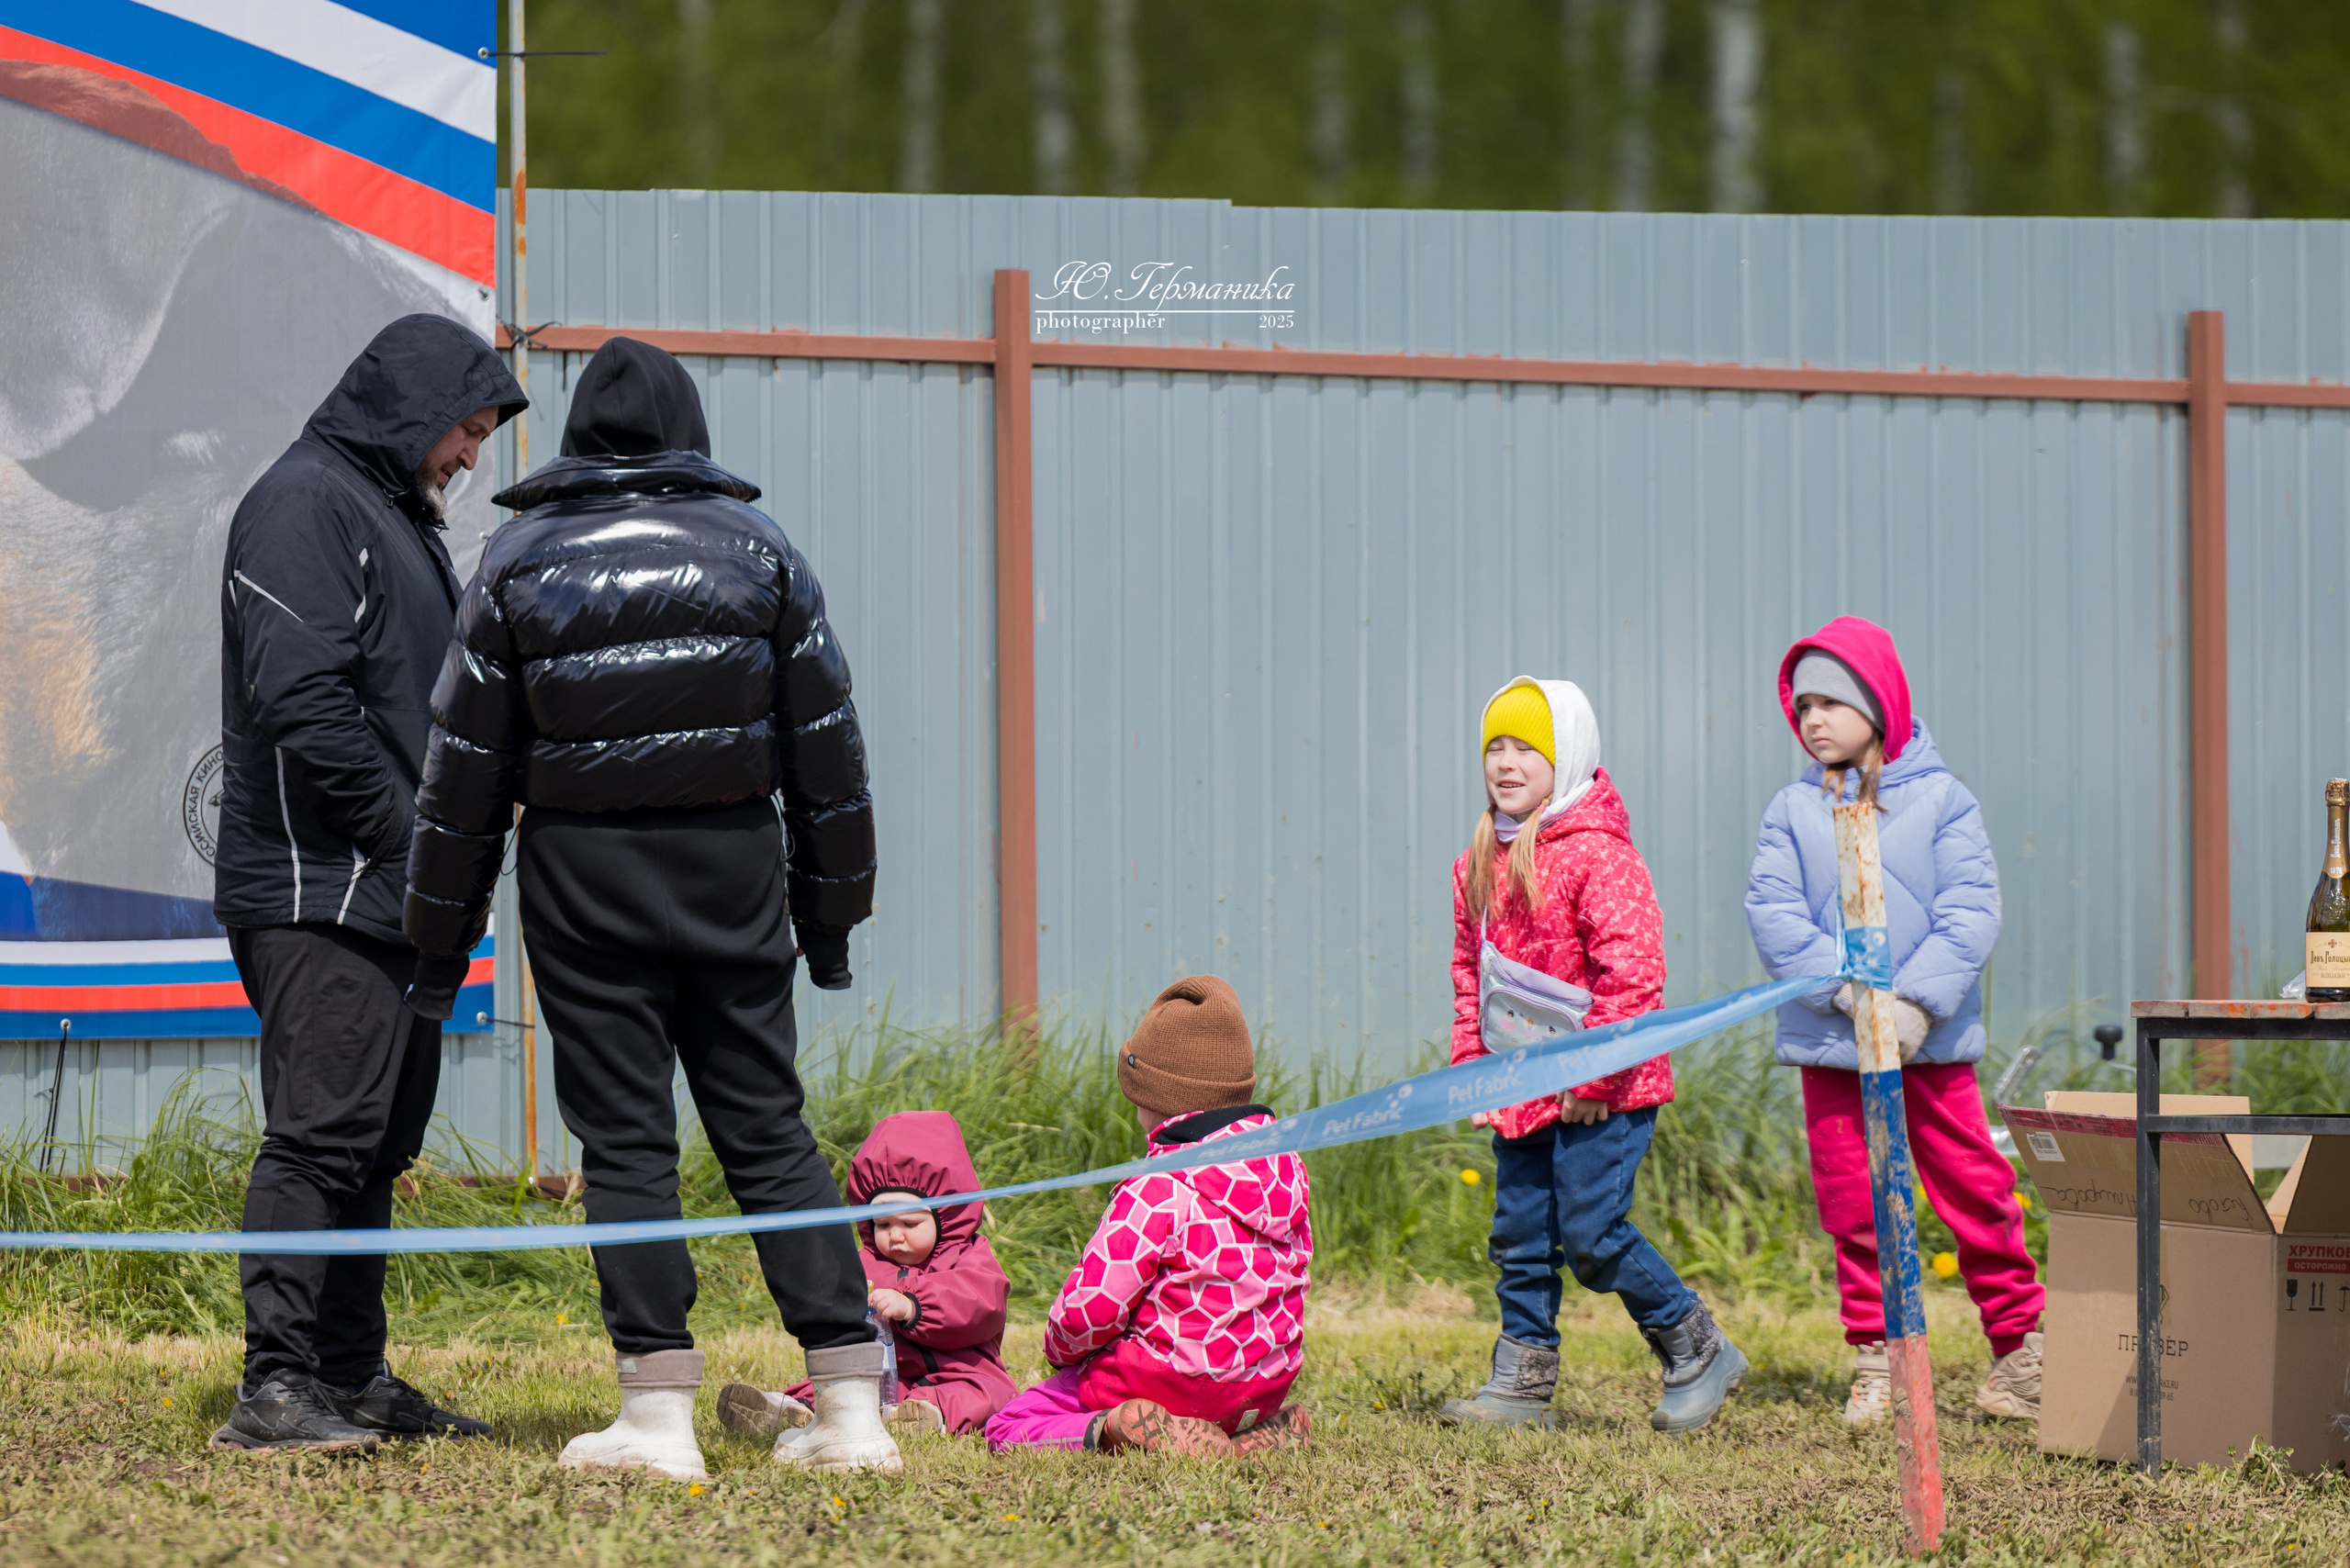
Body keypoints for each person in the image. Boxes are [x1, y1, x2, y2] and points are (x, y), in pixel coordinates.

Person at [401, 336, 891, 1481]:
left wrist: (440, 943)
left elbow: (464, 770)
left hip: (584, 879)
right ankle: (854, 1411)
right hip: (733, 868)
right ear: (692, 430)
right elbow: (829, 754)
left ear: (576, 438)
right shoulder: (762, 550)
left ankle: (657, 1421)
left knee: (624, 1139)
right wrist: (828, 925)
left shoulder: (519, 558)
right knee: (769, 1126)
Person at [209, 314, 525, 1452]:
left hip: (397, 898)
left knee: (378, 1144)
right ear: (410, 411)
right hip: (320, 892)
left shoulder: (388, 514)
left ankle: (348, 1374)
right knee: (320, 1134)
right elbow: (304, 706)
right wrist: (412, 847)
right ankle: (274, 1387)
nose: (469, 459)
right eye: (465, 431)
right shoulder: (302, 503)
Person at [1744, 615, 2039, 1424]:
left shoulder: (1944, 801)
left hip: (1929, 1043)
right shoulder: (1792, 809)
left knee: (1976, 1187)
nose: (1812, 720)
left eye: (1831, 702)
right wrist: (1847, 995)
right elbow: (1772, 912)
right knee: (1854, 1197)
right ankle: (1879, 1357)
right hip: (1835, 1045)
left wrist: (1912, 1004)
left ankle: (2020, 1351)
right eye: (1801, 706)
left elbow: (1971, 911)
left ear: (1881, 701)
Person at [1437, 678, 1748, 1435]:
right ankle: (1520, 1388)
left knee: (1592, 1233)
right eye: (1494, 748)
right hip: (1522, 1086)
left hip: (1604, 1090)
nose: (1506, 764)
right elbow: (1467, 973)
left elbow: (1634, 974)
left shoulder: (1600, 858)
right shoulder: (1480, 858)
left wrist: (1595, 1074)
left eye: (1527, 749)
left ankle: (1697, 1348)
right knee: (1520, 1237)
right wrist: (1474, 1066)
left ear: (1567, 756)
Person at [984, 977, 1311, 1458]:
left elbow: (1092, 1307)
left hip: (1173, 1383)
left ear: (1149, 1092)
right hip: (1262, 1383)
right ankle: (1252, 1436)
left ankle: (1120, 1427)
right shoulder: (1286, 1171)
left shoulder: (1159, 1187)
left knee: (1010, 1422)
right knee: (1226, 1400)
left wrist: (1058, 1350)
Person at [718, 1111, 1016, 1439]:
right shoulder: (865, 1261)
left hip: (957, 1372)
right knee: (841, 1384)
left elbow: (983, 1305)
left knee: (984, 1394)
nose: (895, 1236)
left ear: (946, 1214)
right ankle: (789, 1408)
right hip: (884, 1375)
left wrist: (914, 1306)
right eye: (883, 1224)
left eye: (910, 1224)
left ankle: (928, 1416)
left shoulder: (969, 1256)